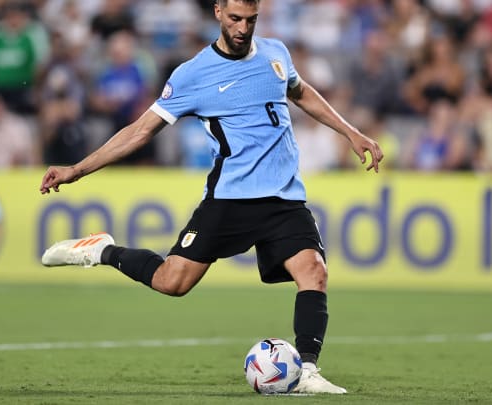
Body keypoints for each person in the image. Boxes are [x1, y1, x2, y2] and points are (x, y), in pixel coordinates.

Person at [39, 0, 383, 395]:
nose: (242, 28)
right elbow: (140, 131)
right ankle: (102, 250)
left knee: (314, 272)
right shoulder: (193, 75)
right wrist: (76, 169)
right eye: (235, 19)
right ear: (218, 11)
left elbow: (301, 93)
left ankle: (306, 371)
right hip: (230, 198)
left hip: (284, 197)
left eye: (250, 20)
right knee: (173, 281)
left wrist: (352, 132)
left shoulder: (276, 53)